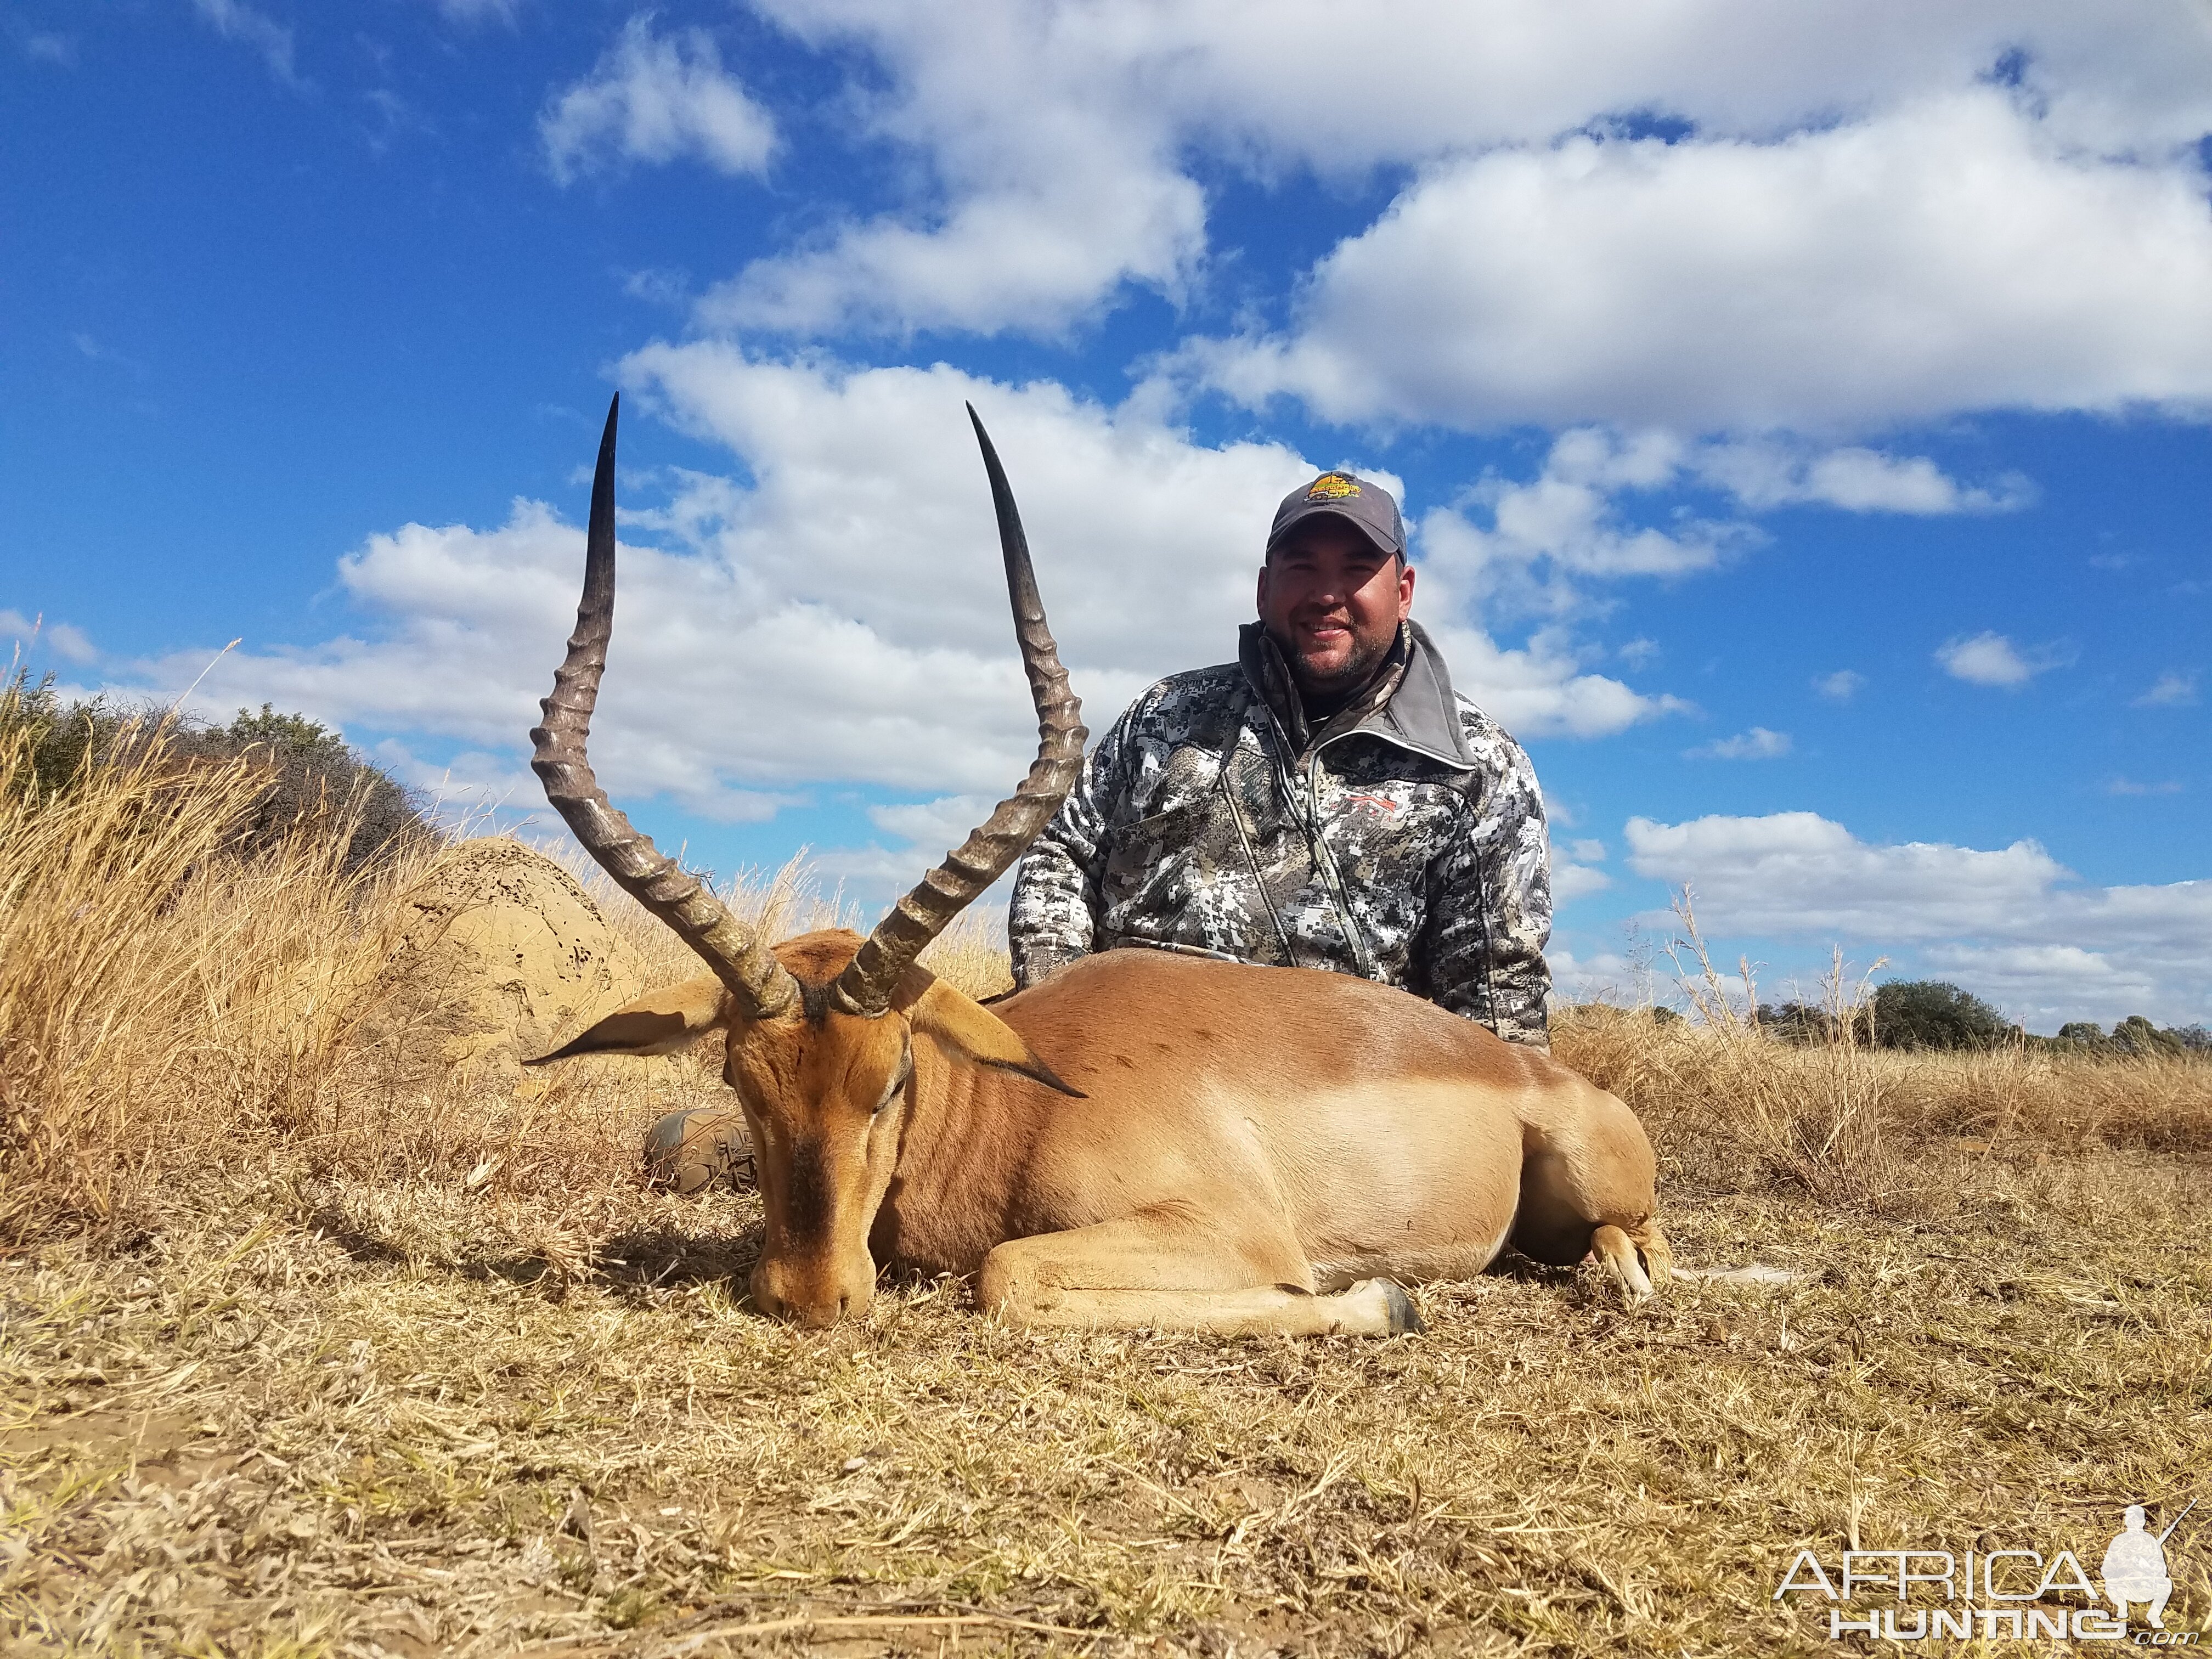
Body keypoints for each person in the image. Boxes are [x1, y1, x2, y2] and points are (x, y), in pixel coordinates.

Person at [1008, 469, 1553, 1047]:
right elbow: (1062, 851)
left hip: (1333, 1101)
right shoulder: (1164, 714)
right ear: (1265, 589)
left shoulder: (1479, 764)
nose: (1326, 595)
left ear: (1403, 591)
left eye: (1356, 570)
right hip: (1123, 1064)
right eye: (1302, 568)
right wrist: (1060, 1014)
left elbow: (1497, 995)